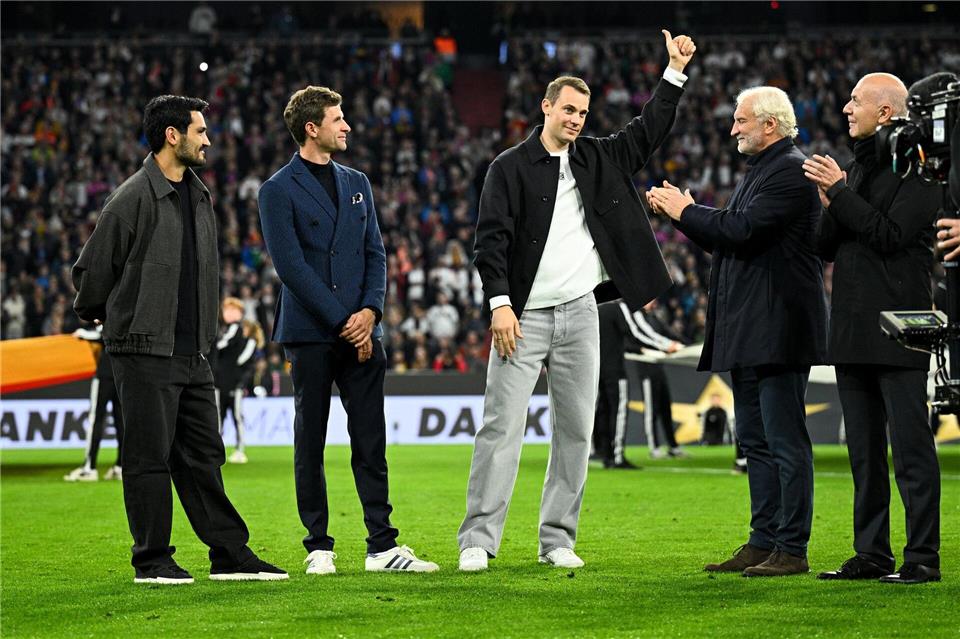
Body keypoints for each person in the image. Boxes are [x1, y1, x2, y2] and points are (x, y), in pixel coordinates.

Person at [458, 29, 696, 572]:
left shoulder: (599, 157)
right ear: (545, 107)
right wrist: (499, 304)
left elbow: (649, 129)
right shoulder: (507, 168)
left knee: (576, 431)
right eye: (567, 109)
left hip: (582, 313)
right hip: (521, 318)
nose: (576, 119)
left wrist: (674, 72)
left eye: (583, 113)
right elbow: (489, 242)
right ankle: (478, 539)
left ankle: (557, 539)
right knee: (500, 427)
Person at [72, 95, 287, 585]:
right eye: (200, 131)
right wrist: (117, 319)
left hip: (193, 352)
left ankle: (229, 554)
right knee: (148, 459)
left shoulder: (198, 194)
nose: (208, 139)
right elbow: (91, 273)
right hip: (144, 349)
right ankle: (152, 560)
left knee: (204, 455)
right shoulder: (131, 198)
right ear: (173, 135)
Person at [647, 85, 828, 577]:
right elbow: (731, 237)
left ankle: (792, 548)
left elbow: (741, 230)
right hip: (753, 329)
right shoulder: (765, 172)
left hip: (778, 329)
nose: (732, 130)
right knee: (755, 440)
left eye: (740, 121)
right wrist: (688, 216)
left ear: (769, 124)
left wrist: (685, 212)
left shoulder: (790, 170)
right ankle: (763, 540)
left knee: (784, 439)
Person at [258, 86, 438, 575]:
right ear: (311, 128)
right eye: (338, 119)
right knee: (309, 440)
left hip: (362, 329)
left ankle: (382, 546)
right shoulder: (276, 189)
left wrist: (370, 313)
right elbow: (291, 269)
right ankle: (318, 545)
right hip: (313, 332)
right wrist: (345, 321)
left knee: (370, 441)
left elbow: (376, 253)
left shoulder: (357, 181)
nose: (348, 126)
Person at [803, 73, 942, 584]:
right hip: (853, 327)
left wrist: (840, 193)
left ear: (886, 112)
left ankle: (922, 557)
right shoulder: (858, 168)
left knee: (910, 450)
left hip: (902, 326)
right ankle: (872, 554)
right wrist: (831, 199)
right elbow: (826, 246)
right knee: (863, 454)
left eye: (855, 100)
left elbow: (889, 235)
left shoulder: (921, 171)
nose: (845, 108)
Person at [593, 300, 682, 469]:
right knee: (617, 412)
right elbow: (636, 333)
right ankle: (617, 457)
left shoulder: (596, 306)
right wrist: (666, 345)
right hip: (614, 370)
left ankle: (604, 454)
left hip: (596, 370)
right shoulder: (618, 307)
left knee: (602, 411)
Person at [63, 324, 124, 482]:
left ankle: (89, 468)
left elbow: (103, 335)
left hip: (105, 375)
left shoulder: (109, 316)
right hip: (122, 373)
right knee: (121, 421)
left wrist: (83, 333)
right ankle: (120, 466)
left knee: (96, 419)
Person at [214, 297, 258, 464]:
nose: (228, 313)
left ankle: (239, 449)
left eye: (233, 310)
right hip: (221, 381)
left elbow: (220, 346)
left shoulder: (234, 329)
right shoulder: (226, 330)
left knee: (235, 416)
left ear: (240, 314)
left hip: (231, 382)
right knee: (220, 416)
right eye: (226, 310)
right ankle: (219, 449)